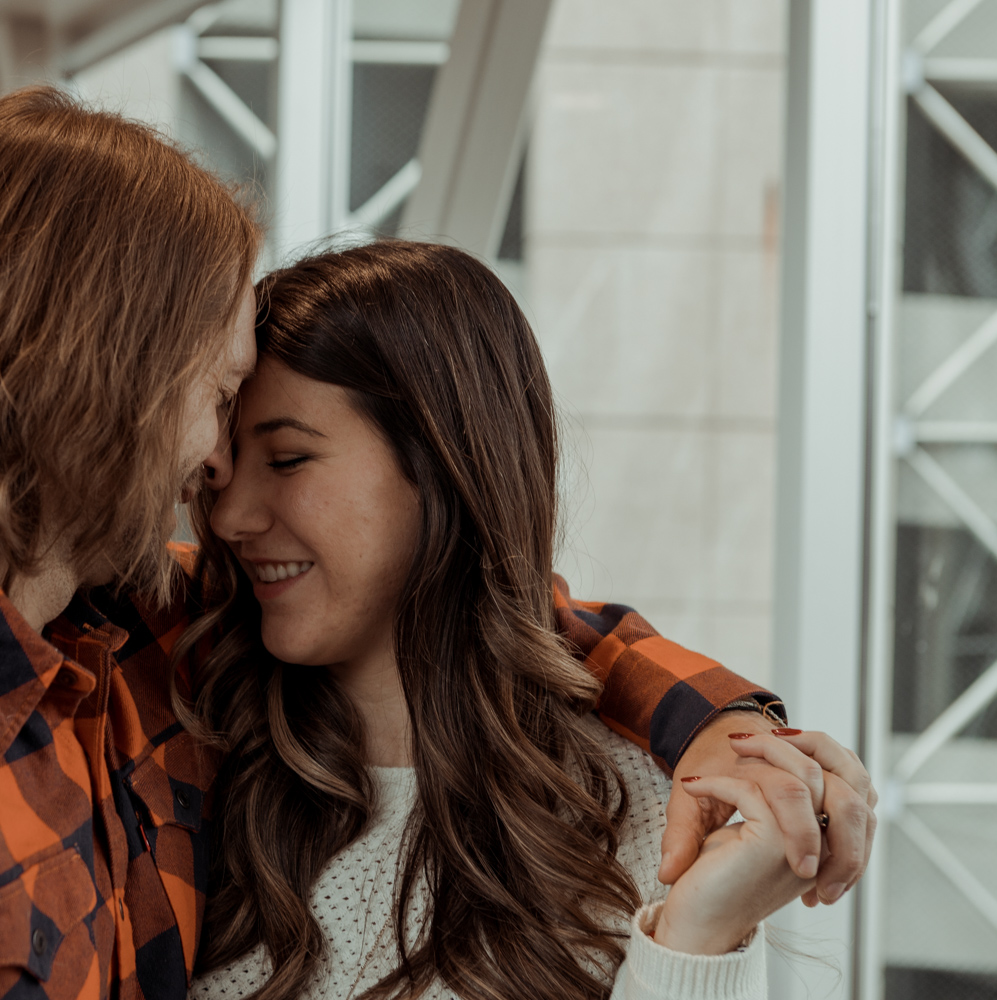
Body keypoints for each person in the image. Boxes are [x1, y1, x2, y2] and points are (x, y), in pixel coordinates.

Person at [0, 89, 869, 1000]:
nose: (213, 474)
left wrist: (718, 726)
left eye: (270, 446)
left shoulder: (97, 657)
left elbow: (497, 610)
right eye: (212, 398)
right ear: (94, 380)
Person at [181, 241, 872, 1000]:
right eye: (218, 467)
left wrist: (696, 943)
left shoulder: (653, 815)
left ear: (445, 463)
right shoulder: (183, 751)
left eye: (286, 460)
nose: (231, 514)